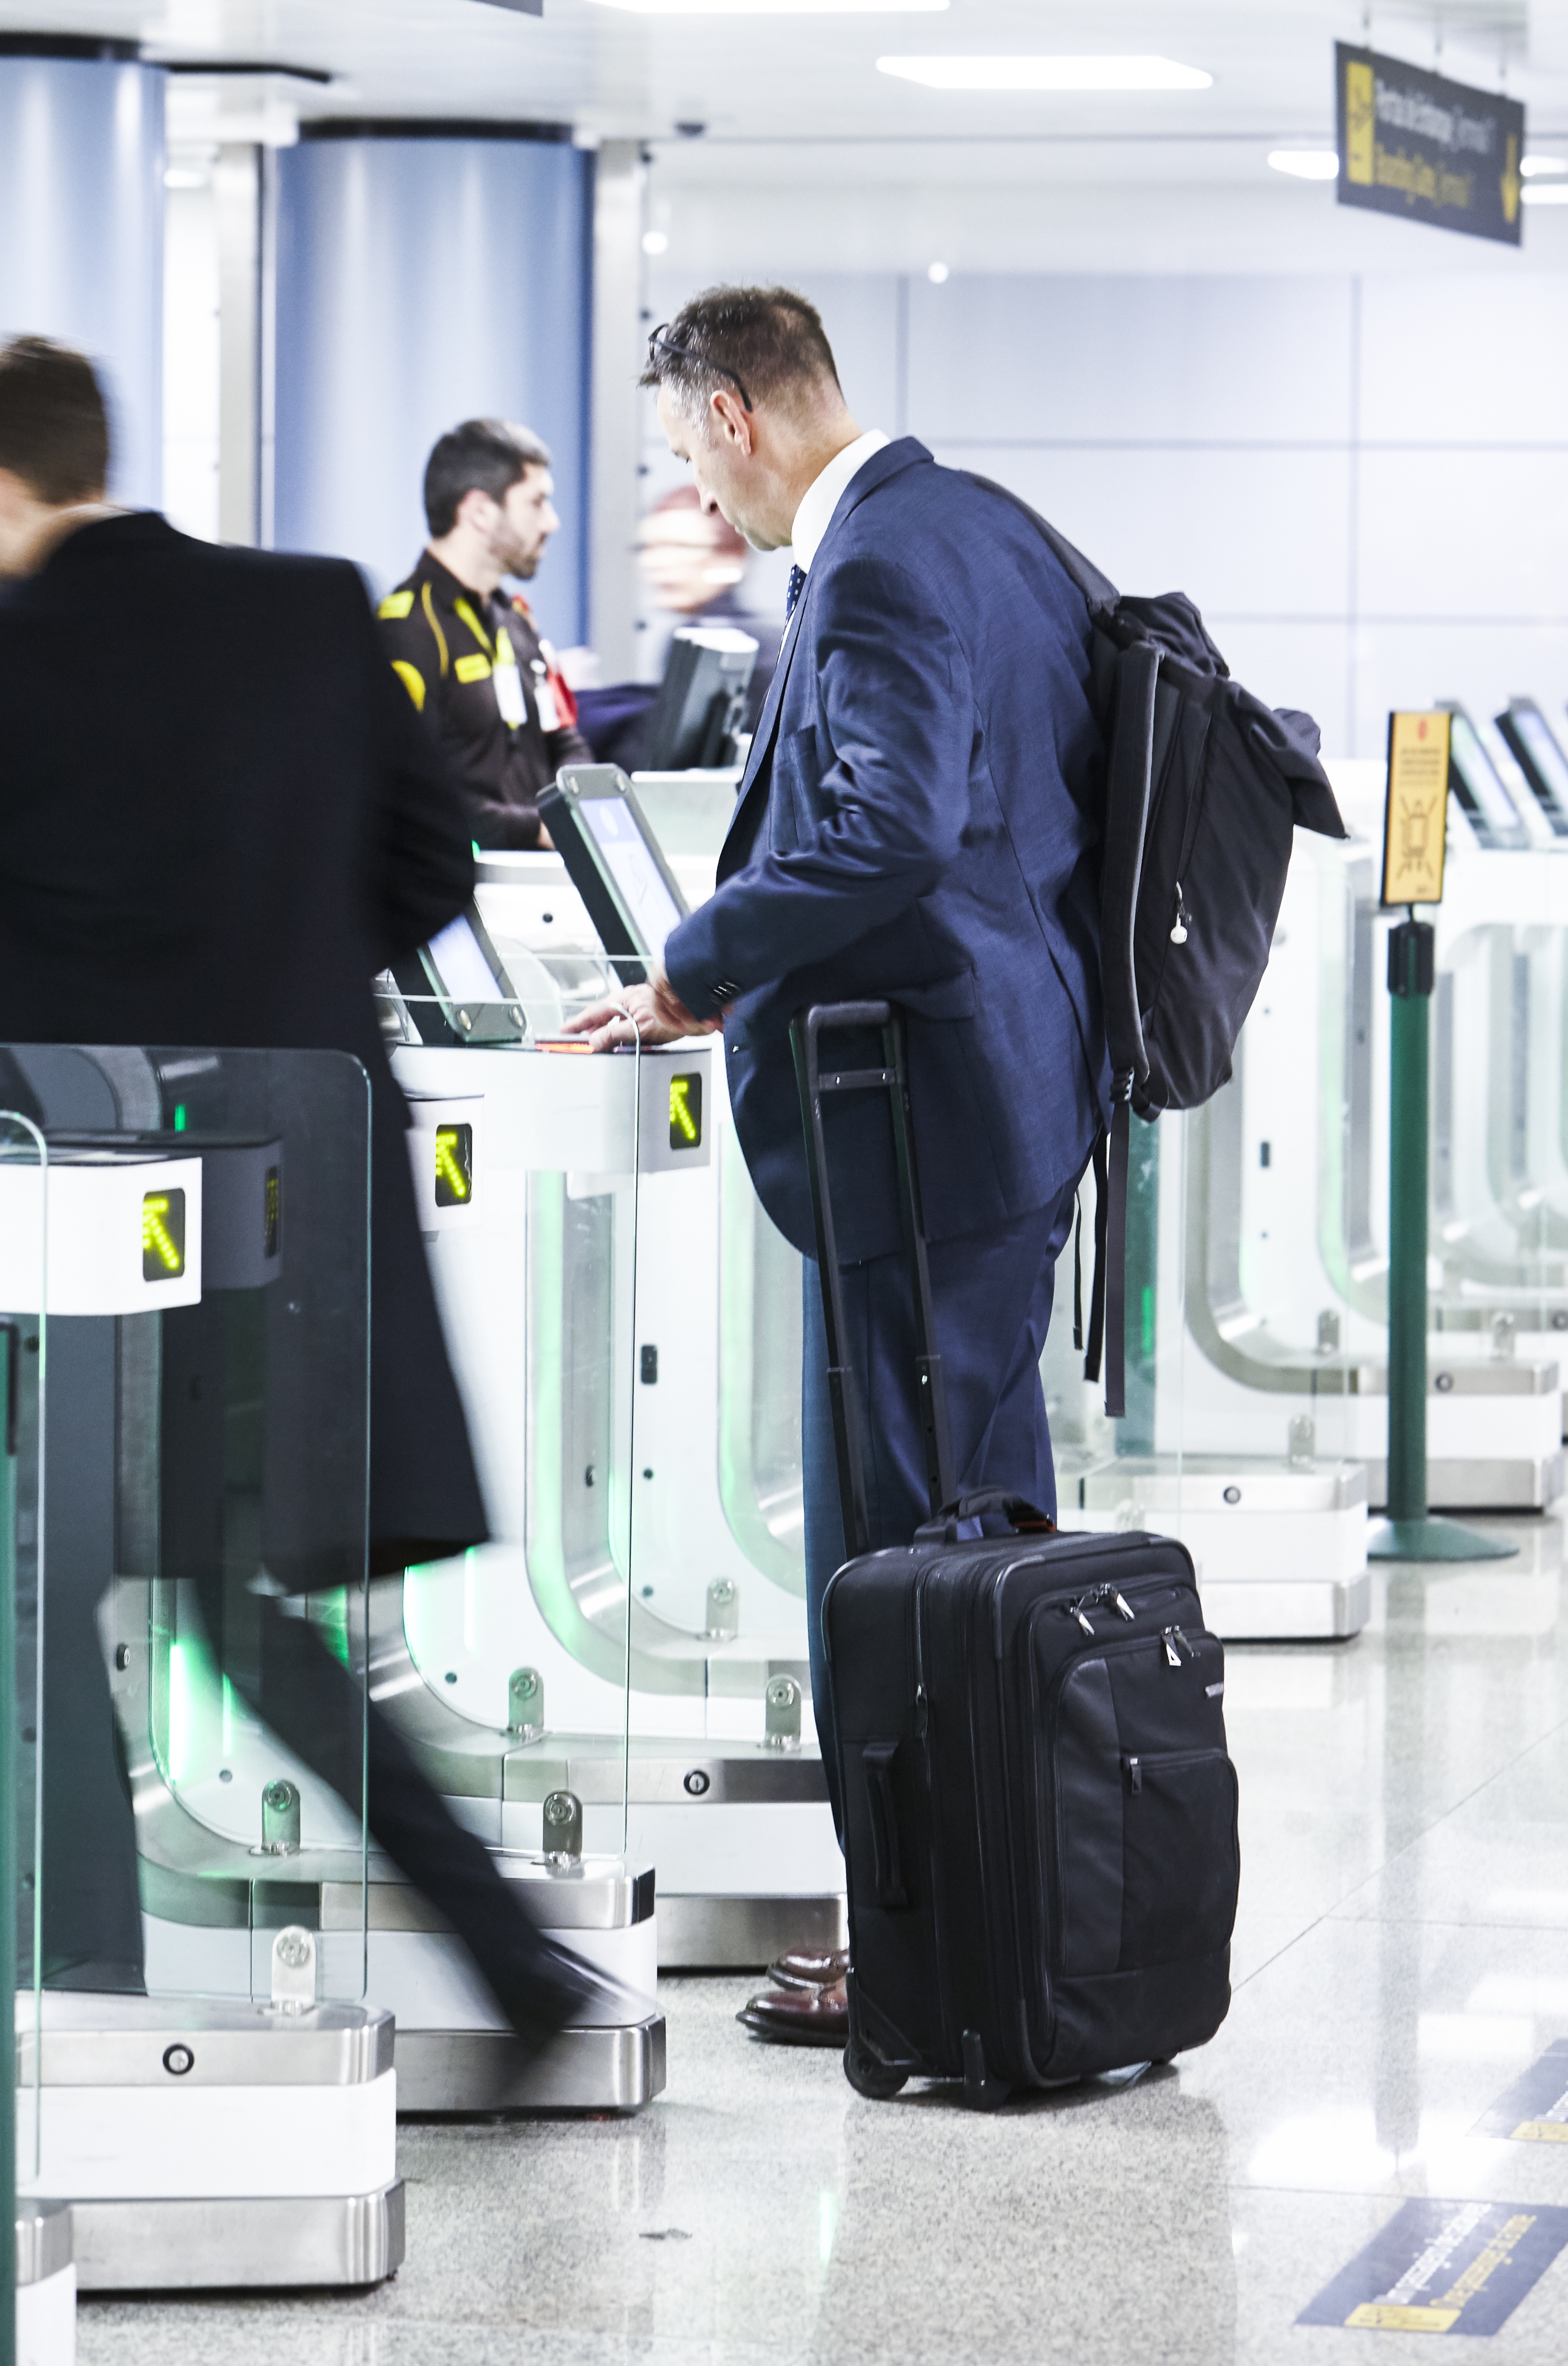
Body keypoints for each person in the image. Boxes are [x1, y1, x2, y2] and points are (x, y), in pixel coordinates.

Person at [0, 334, 618, 2048]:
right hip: (304, 1187)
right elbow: (424, 862)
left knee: (65, 1574)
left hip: (86, 1216)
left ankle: (68, 2000)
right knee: (227, 1586)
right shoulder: (311, 611)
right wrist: (278, 1003)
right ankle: (492, 1956)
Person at [568, 286, 1108, 2046]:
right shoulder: (997, 531)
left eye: (681, 455)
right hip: (1006, 1087)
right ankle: (1007, 1921)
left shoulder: (871, 561)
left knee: (904, 1548)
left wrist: (692, 962)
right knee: (976, 1524)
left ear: (730, 414)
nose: (700, 500)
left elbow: (883, 827)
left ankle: (936, 1952)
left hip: (915, 1121)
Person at [375, 418, 588, 847]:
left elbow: (565, 741)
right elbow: (404, 794)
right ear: (479, 512)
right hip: (468, 897)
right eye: (537, 503)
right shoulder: (408, 629)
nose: (552, 522)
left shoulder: (517, 620)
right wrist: (540, 830)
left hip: (544, 886)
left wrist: (588, 811)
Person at [637, 484, 785, 734]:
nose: (655, 563)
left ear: (732, 557)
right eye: (649, 548)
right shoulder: (773, 639)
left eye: (679, 547)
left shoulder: (697, 645)